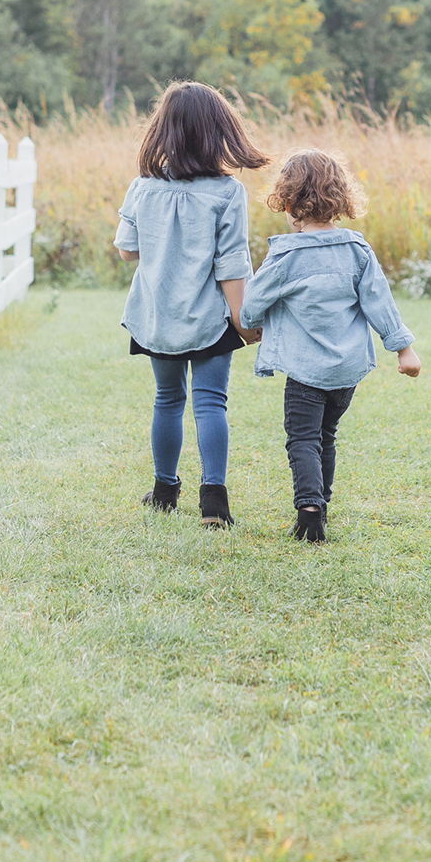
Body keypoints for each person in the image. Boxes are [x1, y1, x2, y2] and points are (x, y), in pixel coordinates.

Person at [235, 149, 421, 542]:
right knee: (326, 435)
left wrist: (251, 324)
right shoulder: (357, 249)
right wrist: (403, 349)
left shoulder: (286, 254)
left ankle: (309, 511)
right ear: (340, 199)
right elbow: (379, 302)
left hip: (305, 371)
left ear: (287, 204)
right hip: (346, 372)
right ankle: (322, 503)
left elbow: (251, 305)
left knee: (302, 438)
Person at [116, 82, 270, 529]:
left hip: (157, 315)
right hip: (209, 317)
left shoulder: (142, 187)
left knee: (167, 399)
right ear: (217, 132)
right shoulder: (227, 192)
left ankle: (165, 490)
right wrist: (244, 322)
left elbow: (127, 251)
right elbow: (231, 265)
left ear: (162, 131)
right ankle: (214, 501)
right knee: (210, 402)